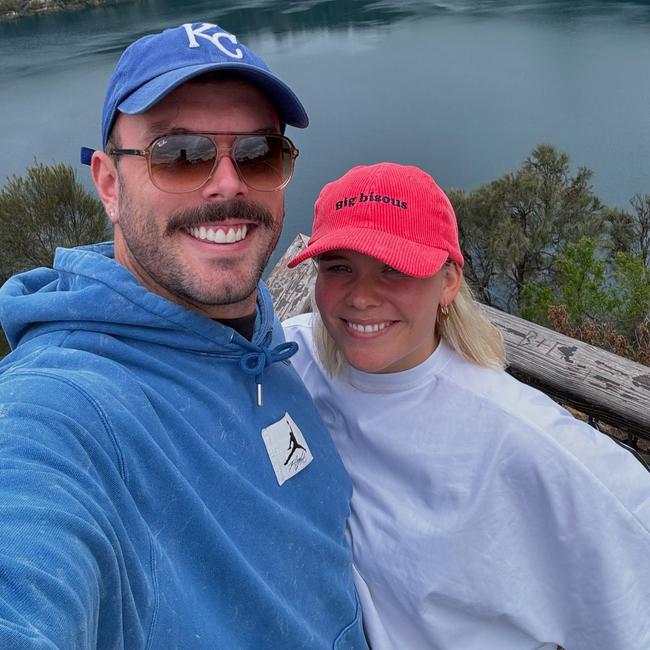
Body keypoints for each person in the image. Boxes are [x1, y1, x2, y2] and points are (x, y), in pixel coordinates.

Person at [0, 22, 368, 649]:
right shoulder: (69, 408)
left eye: (258, 154)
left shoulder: (264, 348)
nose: (227, 184)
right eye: (179, 154)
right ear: (109, 186)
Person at [283, 162, 650, 650]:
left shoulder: (526, 440)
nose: (361, 297)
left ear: (449, 282)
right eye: (338, 267)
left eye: (393, 269)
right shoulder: (291, 360)